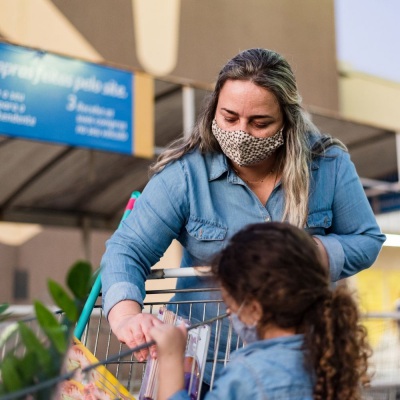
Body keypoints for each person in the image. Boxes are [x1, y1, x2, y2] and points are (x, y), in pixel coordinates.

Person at [100, 48, 385, 383]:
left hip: (298, 365)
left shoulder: (328, 165)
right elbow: (127, 249)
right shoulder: (185, 175)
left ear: (288, 120)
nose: (241, 133)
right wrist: (126, 316)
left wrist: (312, 253)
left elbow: (366, 240)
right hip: (208, 368)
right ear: (212, 112)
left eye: (260, 122)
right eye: (229, 117)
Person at [150, 222, 372, 400]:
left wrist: (170, 358)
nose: (229, 313)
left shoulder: (249, 376)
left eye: (231, 306)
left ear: (255, 310)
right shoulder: (332, 359)